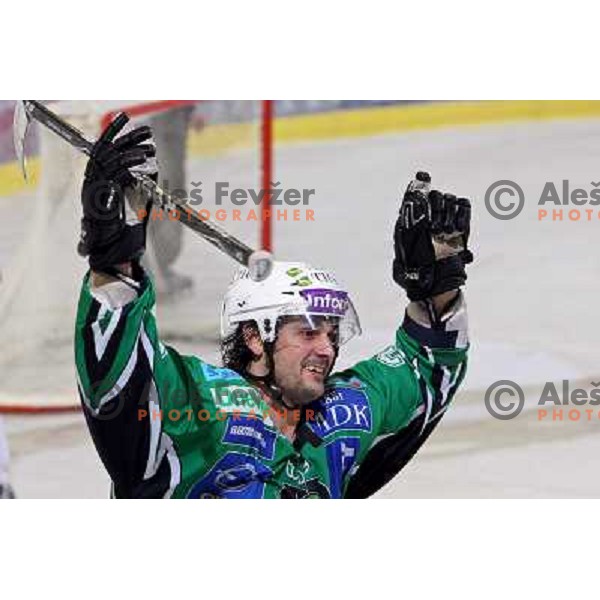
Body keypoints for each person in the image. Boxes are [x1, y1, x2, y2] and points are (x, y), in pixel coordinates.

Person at [75, 115, 473, 499]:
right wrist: (114, 266)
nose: (327, 348)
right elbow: (117, 382)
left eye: (332, 334)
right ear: (253, 337)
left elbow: (429, 363)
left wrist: (435, 291)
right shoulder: (198, 402)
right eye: (308, 332)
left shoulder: (346, 412)